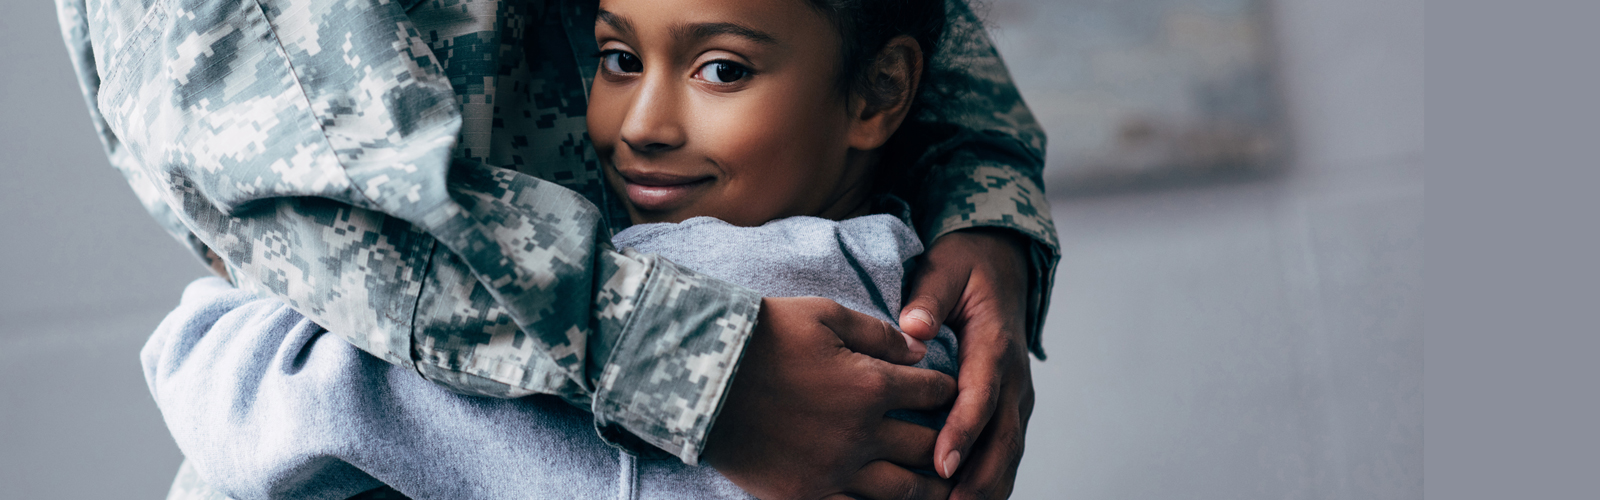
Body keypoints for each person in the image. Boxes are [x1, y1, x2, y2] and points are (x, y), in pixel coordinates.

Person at [58, 0, 1056, 497]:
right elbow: (321, 189)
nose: (643, 125)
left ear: (882, 94)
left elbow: (237, 388)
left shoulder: (789, 312)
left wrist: (983, 197)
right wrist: (688, 363)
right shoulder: (781, 318)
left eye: (718, 69)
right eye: (618, 56)